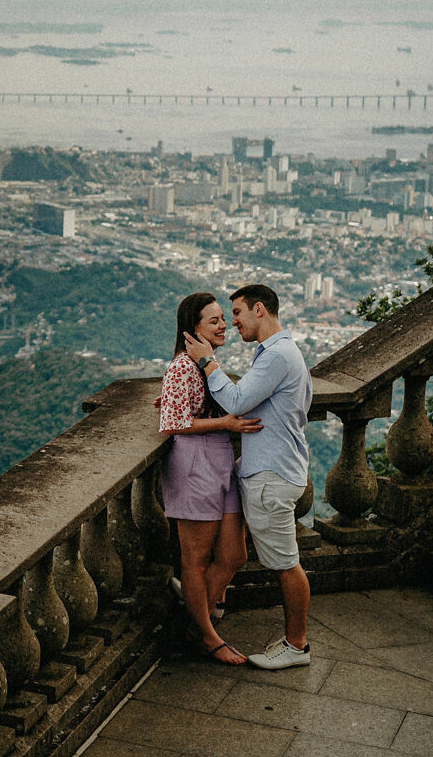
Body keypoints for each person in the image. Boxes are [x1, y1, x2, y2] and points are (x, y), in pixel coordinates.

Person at [183, 283, 314, 670]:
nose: (233, 322)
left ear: (260, 309)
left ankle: (297, 645)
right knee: (238, 551)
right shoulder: (285, 352)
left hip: (271, 476)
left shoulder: (276, 355)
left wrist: (208, 362)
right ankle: (207, 599)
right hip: (273, 469)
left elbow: (238, 402)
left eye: (237, 313)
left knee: (286, 564)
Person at [157, 292, 260, 665]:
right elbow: (172, 423)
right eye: (214, 320)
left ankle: (193, 622)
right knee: (196, 560)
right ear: (193, 328)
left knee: (234, 554)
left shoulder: (205, 363)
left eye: (223, 319)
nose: (223, 326)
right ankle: (206, 636)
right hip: (195, 464)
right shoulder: (183, 367)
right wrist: (226, 423)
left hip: (219, 461)